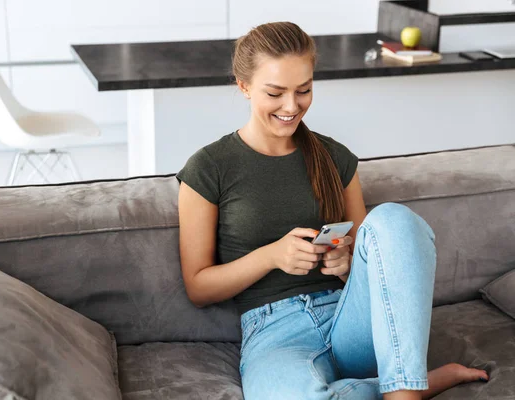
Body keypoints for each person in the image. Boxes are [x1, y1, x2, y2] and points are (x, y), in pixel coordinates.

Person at [175, 21, 489, 400]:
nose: (292, 107)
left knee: (393, 219)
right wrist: (272, 256)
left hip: (354, 319)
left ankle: (402, 393)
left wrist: (347, 262)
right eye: (275, 92)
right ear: (243, 86)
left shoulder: (335, 158)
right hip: (275, 334)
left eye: (304, 90)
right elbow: (198, 287)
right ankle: (410, 384)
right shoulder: (209, 168)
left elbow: (374, 254)